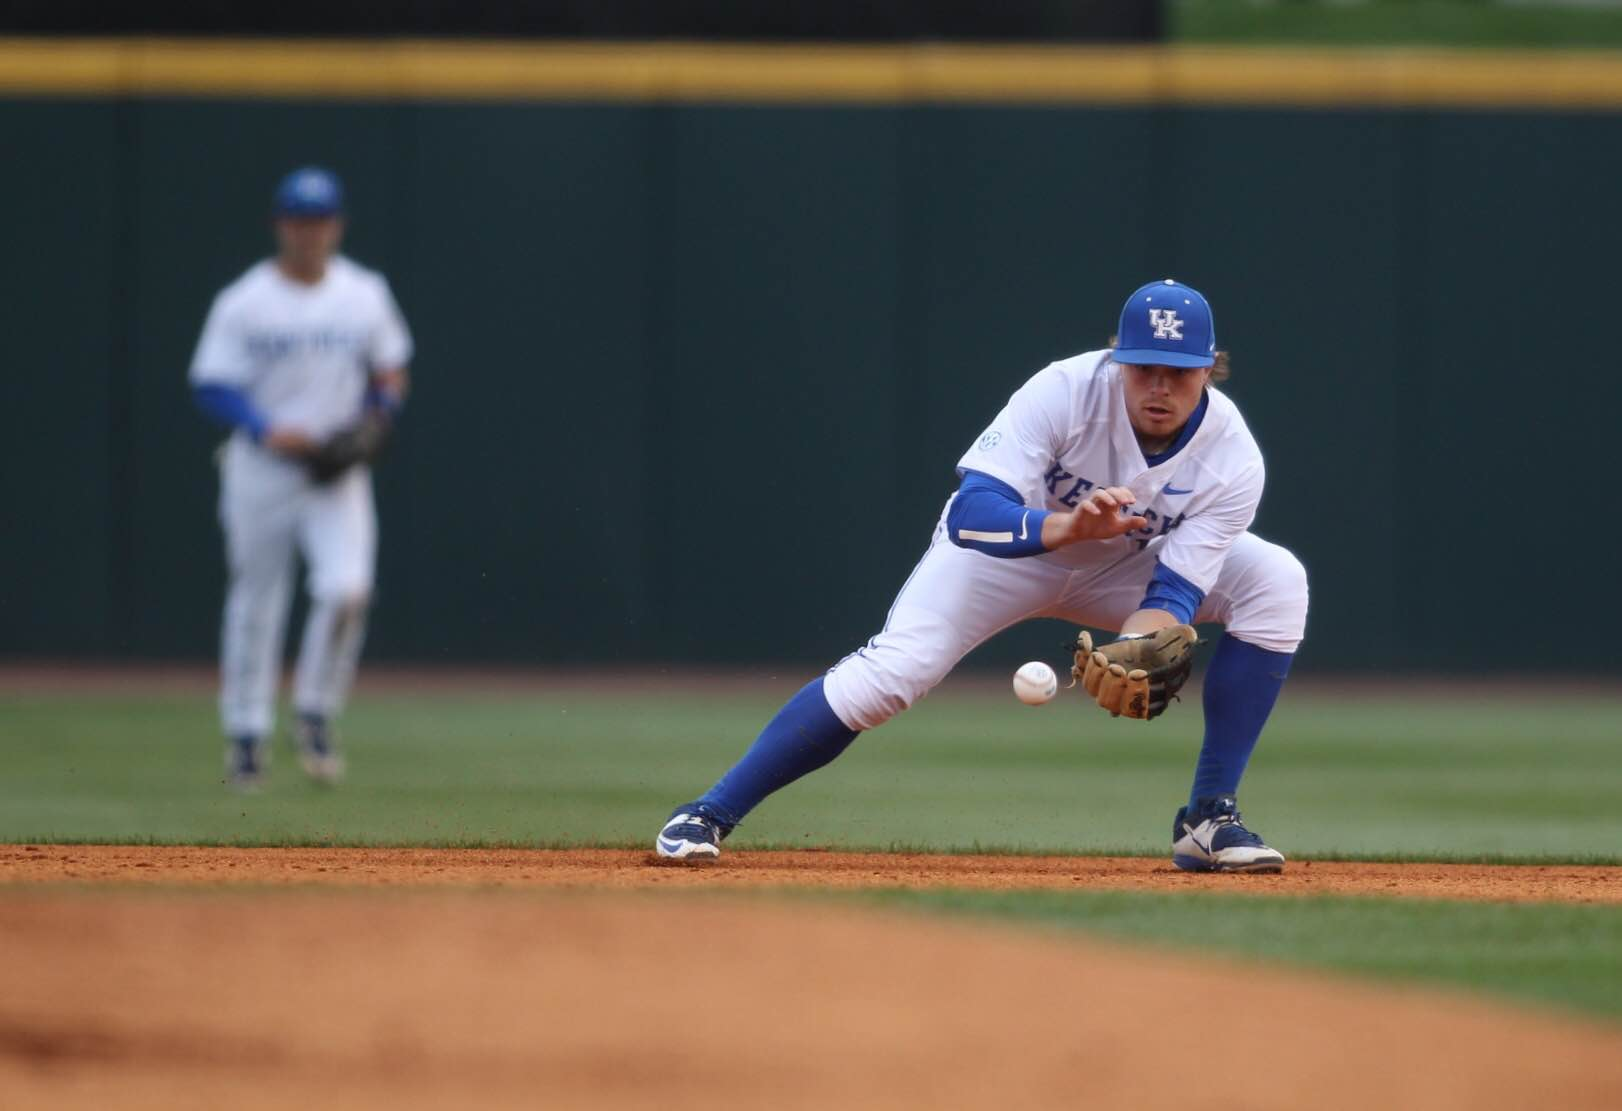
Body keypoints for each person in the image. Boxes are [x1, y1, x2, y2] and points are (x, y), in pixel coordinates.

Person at [656, 279, 1308, 872]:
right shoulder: (1063, 391)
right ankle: (708, 811)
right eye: (1143, 368)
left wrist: (1135, 650)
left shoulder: (1233, 455)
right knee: (893, 673)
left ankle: (1207, 818)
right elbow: (972, 512)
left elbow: (1174, 591)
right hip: (1004, 555)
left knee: (1277, 579)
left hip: (1124, 568)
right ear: (1117, 360)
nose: (1159, 387)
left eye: (1180, 372)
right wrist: (1068, 527)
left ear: (1209, 370)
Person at [189, 167, 412, 789]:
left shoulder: (365, 293)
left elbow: (392, 370)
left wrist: (377, 418)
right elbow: (210, 382)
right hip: (263, 470)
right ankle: (246, 735)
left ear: (335, 225)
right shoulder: (245, 300)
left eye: (320, 219)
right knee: (257, 603)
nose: (309, 231)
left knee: (347, 590)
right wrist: (262, 427)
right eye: (298, 219)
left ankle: (314, 709)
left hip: (336, 472)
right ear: (278, 225)